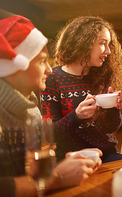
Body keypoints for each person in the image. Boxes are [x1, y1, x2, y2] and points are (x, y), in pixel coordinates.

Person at [0, 15, 102, 197]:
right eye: (41, 61)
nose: (49, 69)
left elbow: (31, 174)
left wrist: (68, 163)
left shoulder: (30, 109)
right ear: (14, 67)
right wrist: (57, 176)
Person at [40, 16, 122, 163]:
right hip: (71, 158)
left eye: (109, 45)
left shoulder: (103, 75)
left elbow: (111, 127)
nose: (109, 51)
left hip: (107, 154)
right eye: (102, 43)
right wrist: (76, 116)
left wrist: (113, 109)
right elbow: (49, 134)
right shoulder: (51, 78)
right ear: (83, 43)